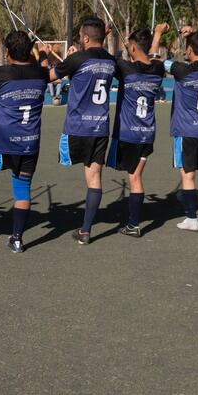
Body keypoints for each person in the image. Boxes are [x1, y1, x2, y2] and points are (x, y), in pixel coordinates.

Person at [0, 30, 50, 252]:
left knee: (18, 182)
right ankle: (17, 238)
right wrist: (43, 55)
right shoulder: (40, 74)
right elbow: (47, 71)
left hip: (5, 144)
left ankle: (15, 236)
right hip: (30, 141)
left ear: (7, 52)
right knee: (22, 188)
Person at [52, 16, 116, 243]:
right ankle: (86, 230)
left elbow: (50, 76)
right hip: (100, 127)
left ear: (86, 37)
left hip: (78, 127)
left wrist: (69, 60)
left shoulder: (76, 58)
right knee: (95, 177)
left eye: (81, 36)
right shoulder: (111, 60)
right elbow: (98, 55)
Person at [160, 25, 198, 231]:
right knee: (192, 174)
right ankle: (188, 198)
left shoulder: (182, 70)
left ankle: (191, 217)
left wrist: (161, 36)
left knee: (187, 174)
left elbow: (157, 60)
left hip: (187, 130)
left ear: (189, 51)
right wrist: (192, 35)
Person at [108, 27, 166, 237]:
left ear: (131, 47)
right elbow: (151, 58)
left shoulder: (125, 67)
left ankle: (133, 223)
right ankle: (133, 222)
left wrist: (106, 36)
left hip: (128, 134)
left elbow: (108, 61)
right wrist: (158, 35)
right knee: (136, 177)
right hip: (147, 132)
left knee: (133, 177)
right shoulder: (158, 69)